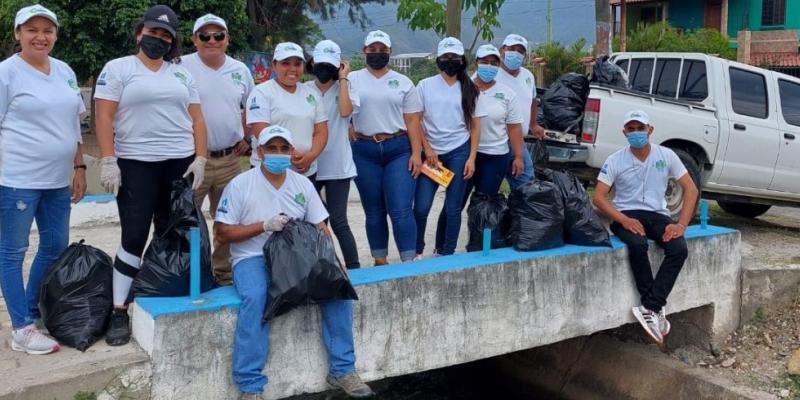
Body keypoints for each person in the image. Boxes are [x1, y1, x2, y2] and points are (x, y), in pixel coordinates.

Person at [214, 125, 373, 400]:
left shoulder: (301, 184)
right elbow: (222, 232)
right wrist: (263, 226)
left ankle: (343, 369)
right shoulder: (241, 184)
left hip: (295, 257)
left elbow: (322, 226)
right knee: (255, 296)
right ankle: (250, 384)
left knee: (336, 290)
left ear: (291, 152)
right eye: (271, 149)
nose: (278, 154)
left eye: (283, 148)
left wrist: (334, 263)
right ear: (259, 152)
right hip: (252, 257)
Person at [94, 4, 208, 346]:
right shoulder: (119, 68)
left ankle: (157, 292)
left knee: (171, 232)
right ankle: (118, 310)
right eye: (152, 31)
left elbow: (198, 120)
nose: (157, 39)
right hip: (136, 163)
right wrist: (108, 159)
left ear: (172, 40)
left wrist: (200, 157)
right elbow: (103, 117)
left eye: (165, 34)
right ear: (139, 33)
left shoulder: (181, 74)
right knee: (134, 234)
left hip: (178, 163)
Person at [0, 4, 86, 355]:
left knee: (55, 246)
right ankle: (21, 327)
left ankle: (35, 312)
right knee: (12, 252)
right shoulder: (7, 72)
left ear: (55, 35)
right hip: (17, 178)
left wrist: (79, 168)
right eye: (32, 29)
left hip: (56, 180)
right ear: (18, 34)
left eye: (47, 30)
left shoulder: (64, 70)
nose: (40, 36)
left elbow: (74, 124)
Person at [592, 110, 698, 347]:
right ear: (624, 132)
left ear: (650, 130)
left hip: (658, 215)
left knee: (679, 248)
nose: (636, 133)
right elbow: (599, 197)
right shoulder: (615, 160)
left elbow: (691, 189)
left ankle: (650, 306)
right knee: (637, 244)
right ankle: (655, 307)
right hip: (626, 214)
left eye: (640, 128)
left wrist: (680, 224)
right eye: (631, 129)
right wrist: (623, 220)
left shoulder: (666, 155)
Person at [182, 14, 254, 285]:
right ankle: (189, 274)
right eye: (204, 36)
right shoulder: (180, 66)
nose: (212, 41)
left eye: (218, 35)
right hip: (192, 161)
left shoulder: (240, 70)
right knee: (186, 221)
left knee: (228, 221)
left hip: (230, 160)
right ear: (194, 40)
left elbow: (251, 106)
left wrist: (248, 137)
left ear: (227, 39)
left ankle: (222, 273)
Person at [434, 44, 525, 250]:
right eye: (485, 62)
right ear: (476, 62)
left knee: (484, 205)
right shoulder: (462, 87)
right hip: (464, 155)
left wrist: (518, 156)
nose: (489, 66)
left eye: (494, 63)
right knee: (453, 202)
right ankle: (441, 246)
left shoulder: (506, 93)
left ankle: (479, 246)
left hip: (495, 156)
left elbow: (514, 129)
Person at [348, 30, 424, 265]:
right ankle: (380, 259)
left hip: (398, 148)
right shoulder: (351, 79)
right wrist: (349, 126)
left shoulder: (403, 82)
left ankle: (408, 261)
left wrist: (416, 153)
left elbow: (413, 120)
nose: (377, 53)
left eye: (383, 50)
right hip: (364, 149)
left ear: (390, 52)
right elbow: (341, 110)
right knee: (374, 211)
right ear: (365, 51)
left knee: (401, 209)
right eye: (373, 49)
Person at [413, 37, 481, 257]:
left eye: (454, 57)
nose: (450, 61)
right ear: (438, 59)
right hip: (432, 156)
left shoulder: (470, 88)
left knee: (453, 208)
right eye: (445, 57)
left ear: (462, 59)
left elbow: (475, 125)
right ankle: (417, 251)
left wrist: (471, 157)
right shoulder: (425, 85)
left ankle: (447, 252)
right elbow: (417, 121)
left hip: (459, 152)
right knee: (421, 207)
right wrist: (428, 149)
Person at [304, 40, 361, 269]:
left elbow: (346, 111)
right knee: (314, 222)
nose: (324, 69)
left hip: (338, 165)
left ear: (339, 66)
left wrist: (344, 80)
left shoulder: (346, 89)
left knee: (338, 221)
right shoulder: (304, 90)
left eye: (330, 65)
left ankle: (354, 268)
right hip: (310, 165)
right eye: (320, 63)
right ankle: (320, 268)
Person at [246, 42, 328, 184]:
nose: (292, 69)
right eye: (286, 63)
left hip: (306, 171)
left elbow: (321, 131)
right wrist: (292, 155)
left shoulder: (312, 94)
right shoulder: (261, 92)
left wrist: (310, 156)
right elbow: (262, 131)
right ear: (274, 65)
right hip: (270, 171)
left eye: (297, 64)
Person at [497, 34, 544, 189]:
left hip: (518, 142)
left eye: (520, 51)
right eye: (511, 49)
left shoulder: (528, 76)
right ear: (502, 50)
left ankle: (521, 213)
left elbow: (532, 100)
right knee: (489, 188)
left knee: (526, 185)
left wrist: (534, 124)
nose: (515, 54)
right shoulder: (490, 74)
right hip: (494, 142)